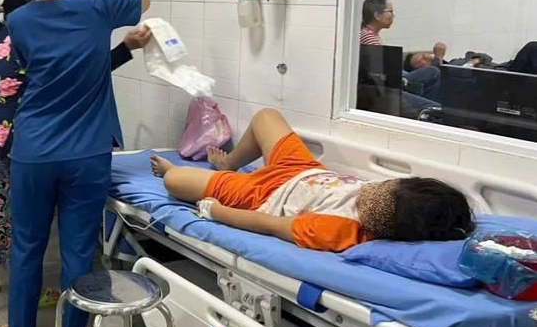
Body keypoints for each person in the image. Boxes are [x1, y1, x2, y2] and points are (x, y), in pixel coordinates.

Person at [0, 0, 150, 327]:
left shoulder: (19, 21)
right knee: (79, 250)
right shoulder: (97, 5)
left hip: (33, 151)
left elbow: (50, 70)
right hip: (86, 153)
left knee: (27, 246)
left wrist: (120, 50)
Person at [0, 0, 152, 301]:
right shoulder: (29, 37)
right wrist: (125, 48)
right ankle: (29, 295)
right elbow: (74, 75)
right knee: (13, 218)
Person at [150, 108, 474, 250]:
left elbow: (269, 224)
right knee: (266, 117)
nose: (367, 193)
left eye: (370, 203)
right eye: (380, 188)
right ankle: (229, 164)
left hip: (264, 194)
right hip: (304, 170)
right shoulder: (395, 199)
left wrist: (215, 211)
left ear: (383, 225)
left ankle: (215, 177)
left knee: (174, 180)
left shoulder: (339, 230)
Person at [360, 0, 441, 112]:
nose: (393, 16)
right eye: (390, 11)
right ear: (377, 15)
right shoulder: (369, 39)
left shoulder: (369, 34)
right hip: (386, 88)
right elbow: (379, 74)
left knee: (432, 72)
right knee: (433, 78)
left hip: (391, 79)